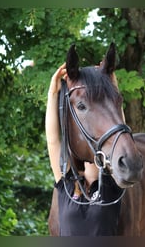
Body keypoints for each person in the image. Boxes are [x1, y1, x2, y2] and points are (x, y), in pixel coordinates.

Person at [45, 63, 122, 236]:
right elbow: (52, 140)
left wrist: (112, 88)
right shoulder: (67, 187)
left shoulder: (111, 188)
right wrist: (52, 94)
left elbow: (118, 131)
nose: (92, 157)